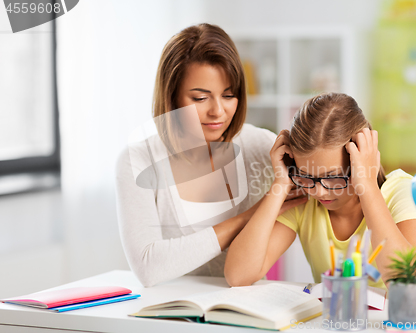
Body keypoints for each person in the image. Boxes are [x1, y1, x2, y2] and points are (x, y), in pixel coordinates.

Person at [115, 23, 306, 287]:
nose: (218, 111)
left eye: (229, 95)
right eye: (200, 98)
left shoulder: (261, 147)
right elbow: (148, 267)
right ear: (171, 98)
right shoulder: (138, 160)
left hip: (244, 312)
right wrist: (253, 214)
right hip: (166, 315)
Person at [225, 92, 416, 290]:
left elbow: (407, 285)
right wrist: (280, 184)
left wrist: (368, 187)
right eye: (306, 175)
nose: (318, 192)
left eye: (333, 177)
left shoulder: (402, 191)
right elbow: (238, 276)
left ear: (361, 160)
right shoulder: (303, 197)